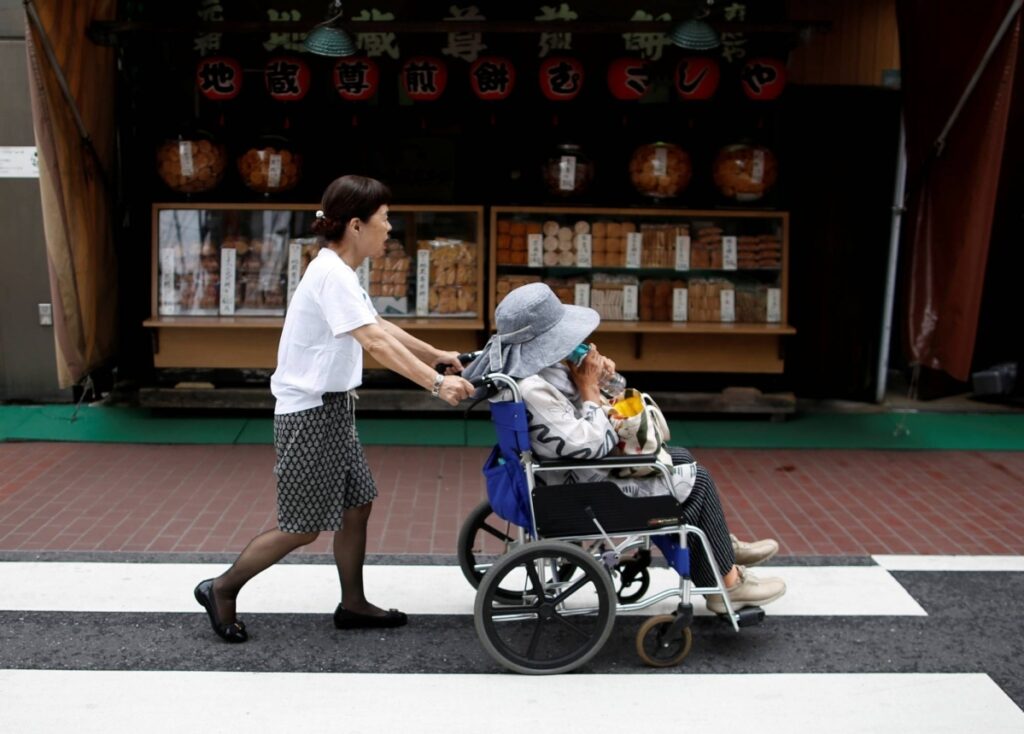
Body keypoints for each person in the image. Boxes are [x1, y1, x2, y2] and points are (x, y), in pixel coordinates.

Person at [195, 175, 475, 643]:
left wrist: (435, 354)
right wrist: (435, 383)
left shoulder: (340, 273)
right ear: (355, 225)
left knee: (357, 506)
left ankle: (353, 604)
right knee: (302, 528)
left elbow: (378, 326)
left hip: (333, 410)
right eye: (384, 220)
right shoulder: (330, 275)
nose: (390, 229)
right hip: (308, 415)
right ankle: (221, 588)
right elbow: (372, 342)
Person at [462, 282, 785, 614]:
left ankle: (719, 549)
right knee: (697, 480)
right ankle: (728, 584)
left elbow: (600, 410)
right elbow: (587, 445)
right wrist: (588, 388)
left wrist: (604, 380)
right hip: (579, 489)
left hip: (568, 478)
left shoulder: (538, 371)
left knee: (681, 458)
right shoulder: (534, 388)